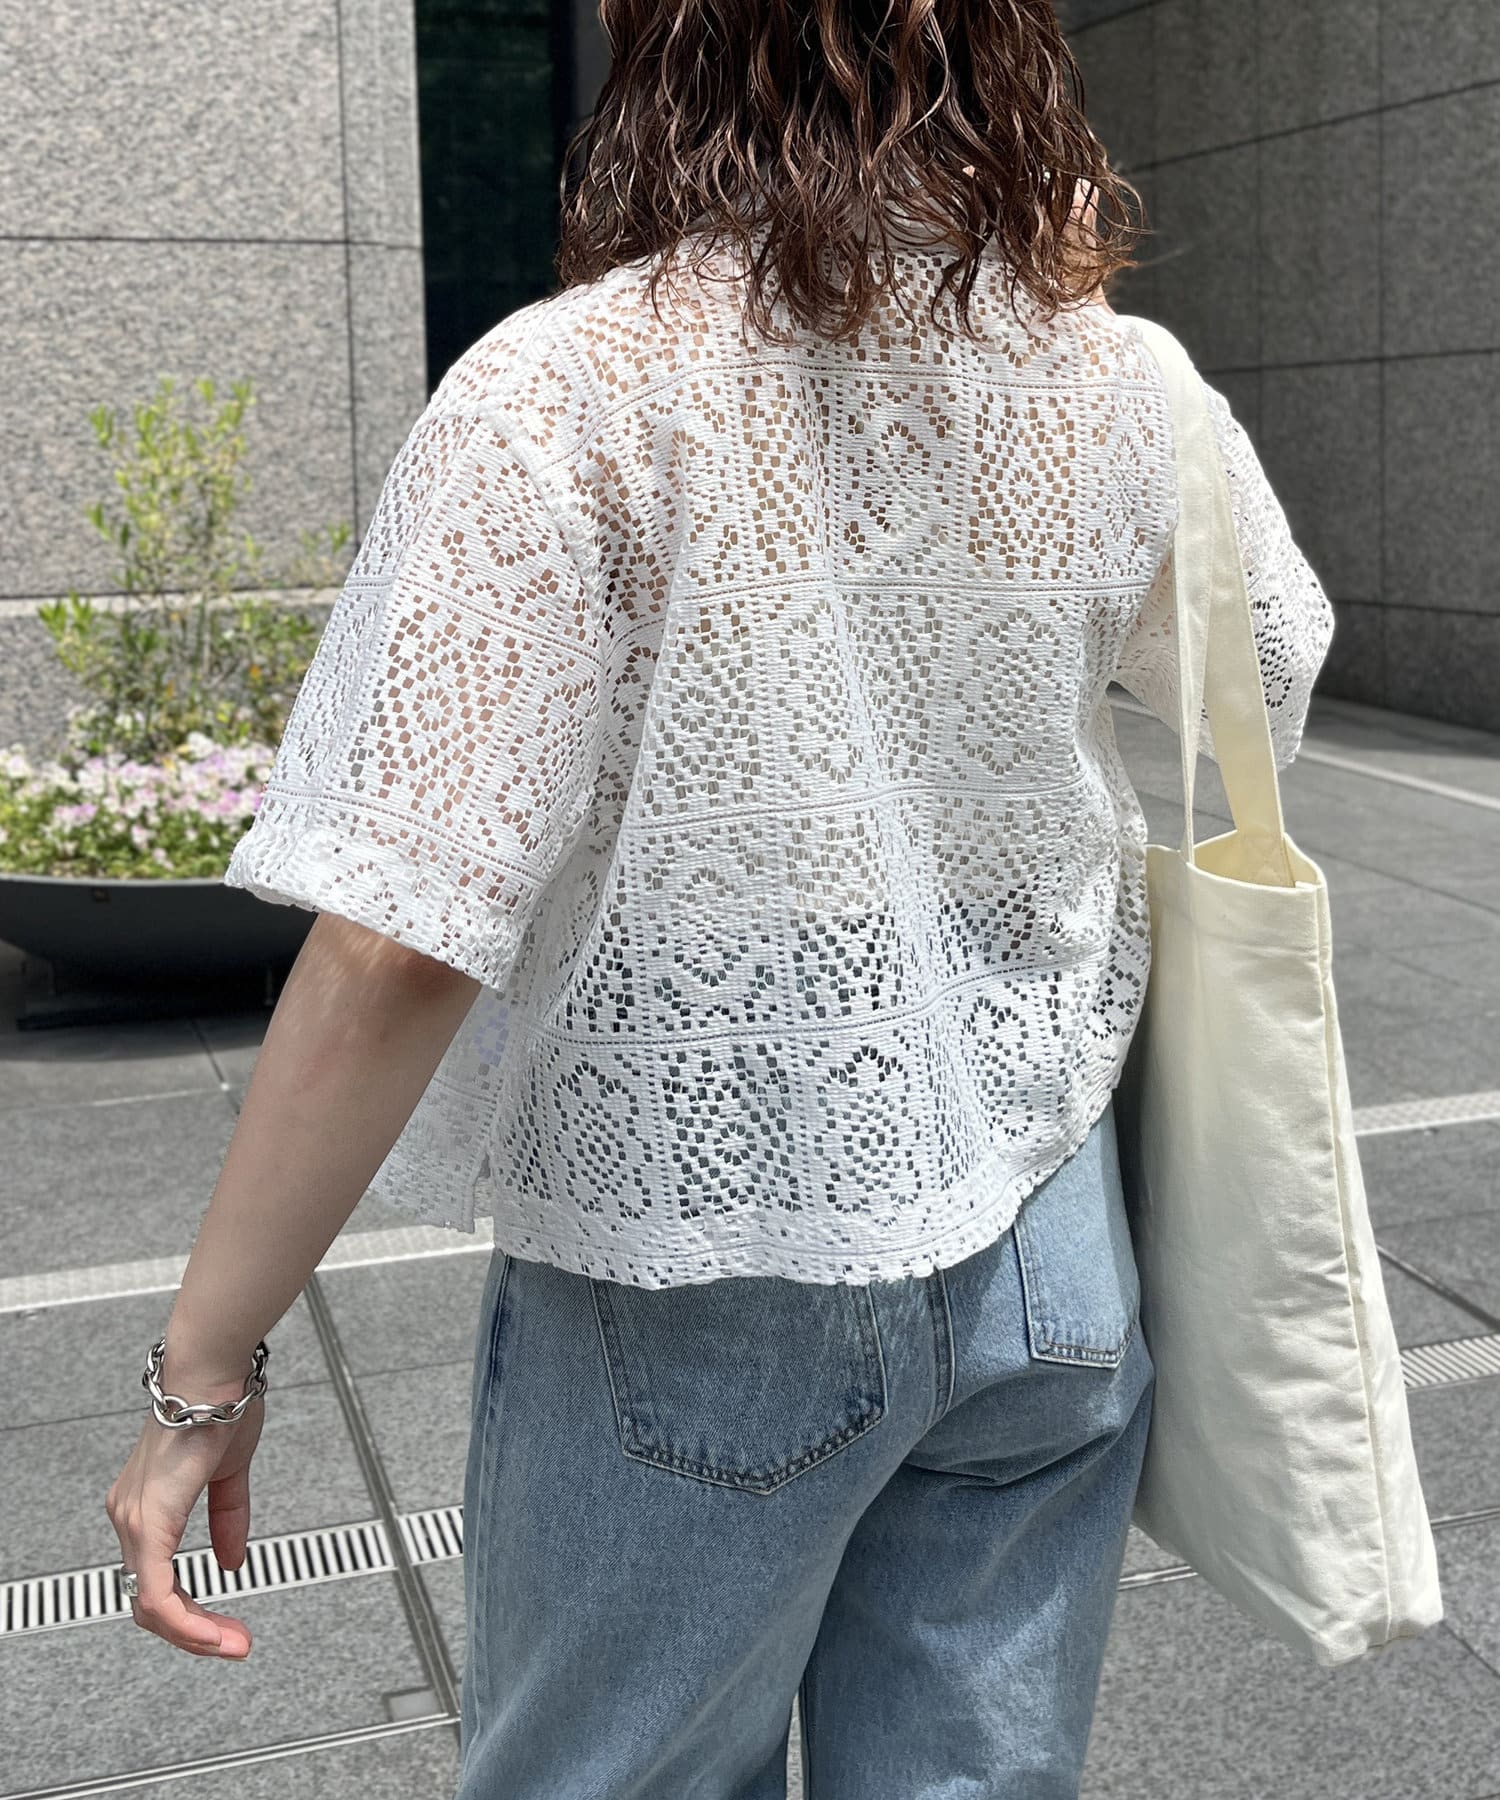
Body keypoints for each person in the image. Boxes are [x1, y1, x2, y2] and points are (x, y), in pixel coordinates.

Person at [105, 3, 1336, 1794]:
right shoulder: (1119, 376)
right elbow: (1267, 681)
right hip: (1051, 1231)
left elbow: (393, 940)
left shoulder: (566, 386)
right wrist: (1068, 394)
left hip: (708, 1255)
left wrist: (202, 1376)